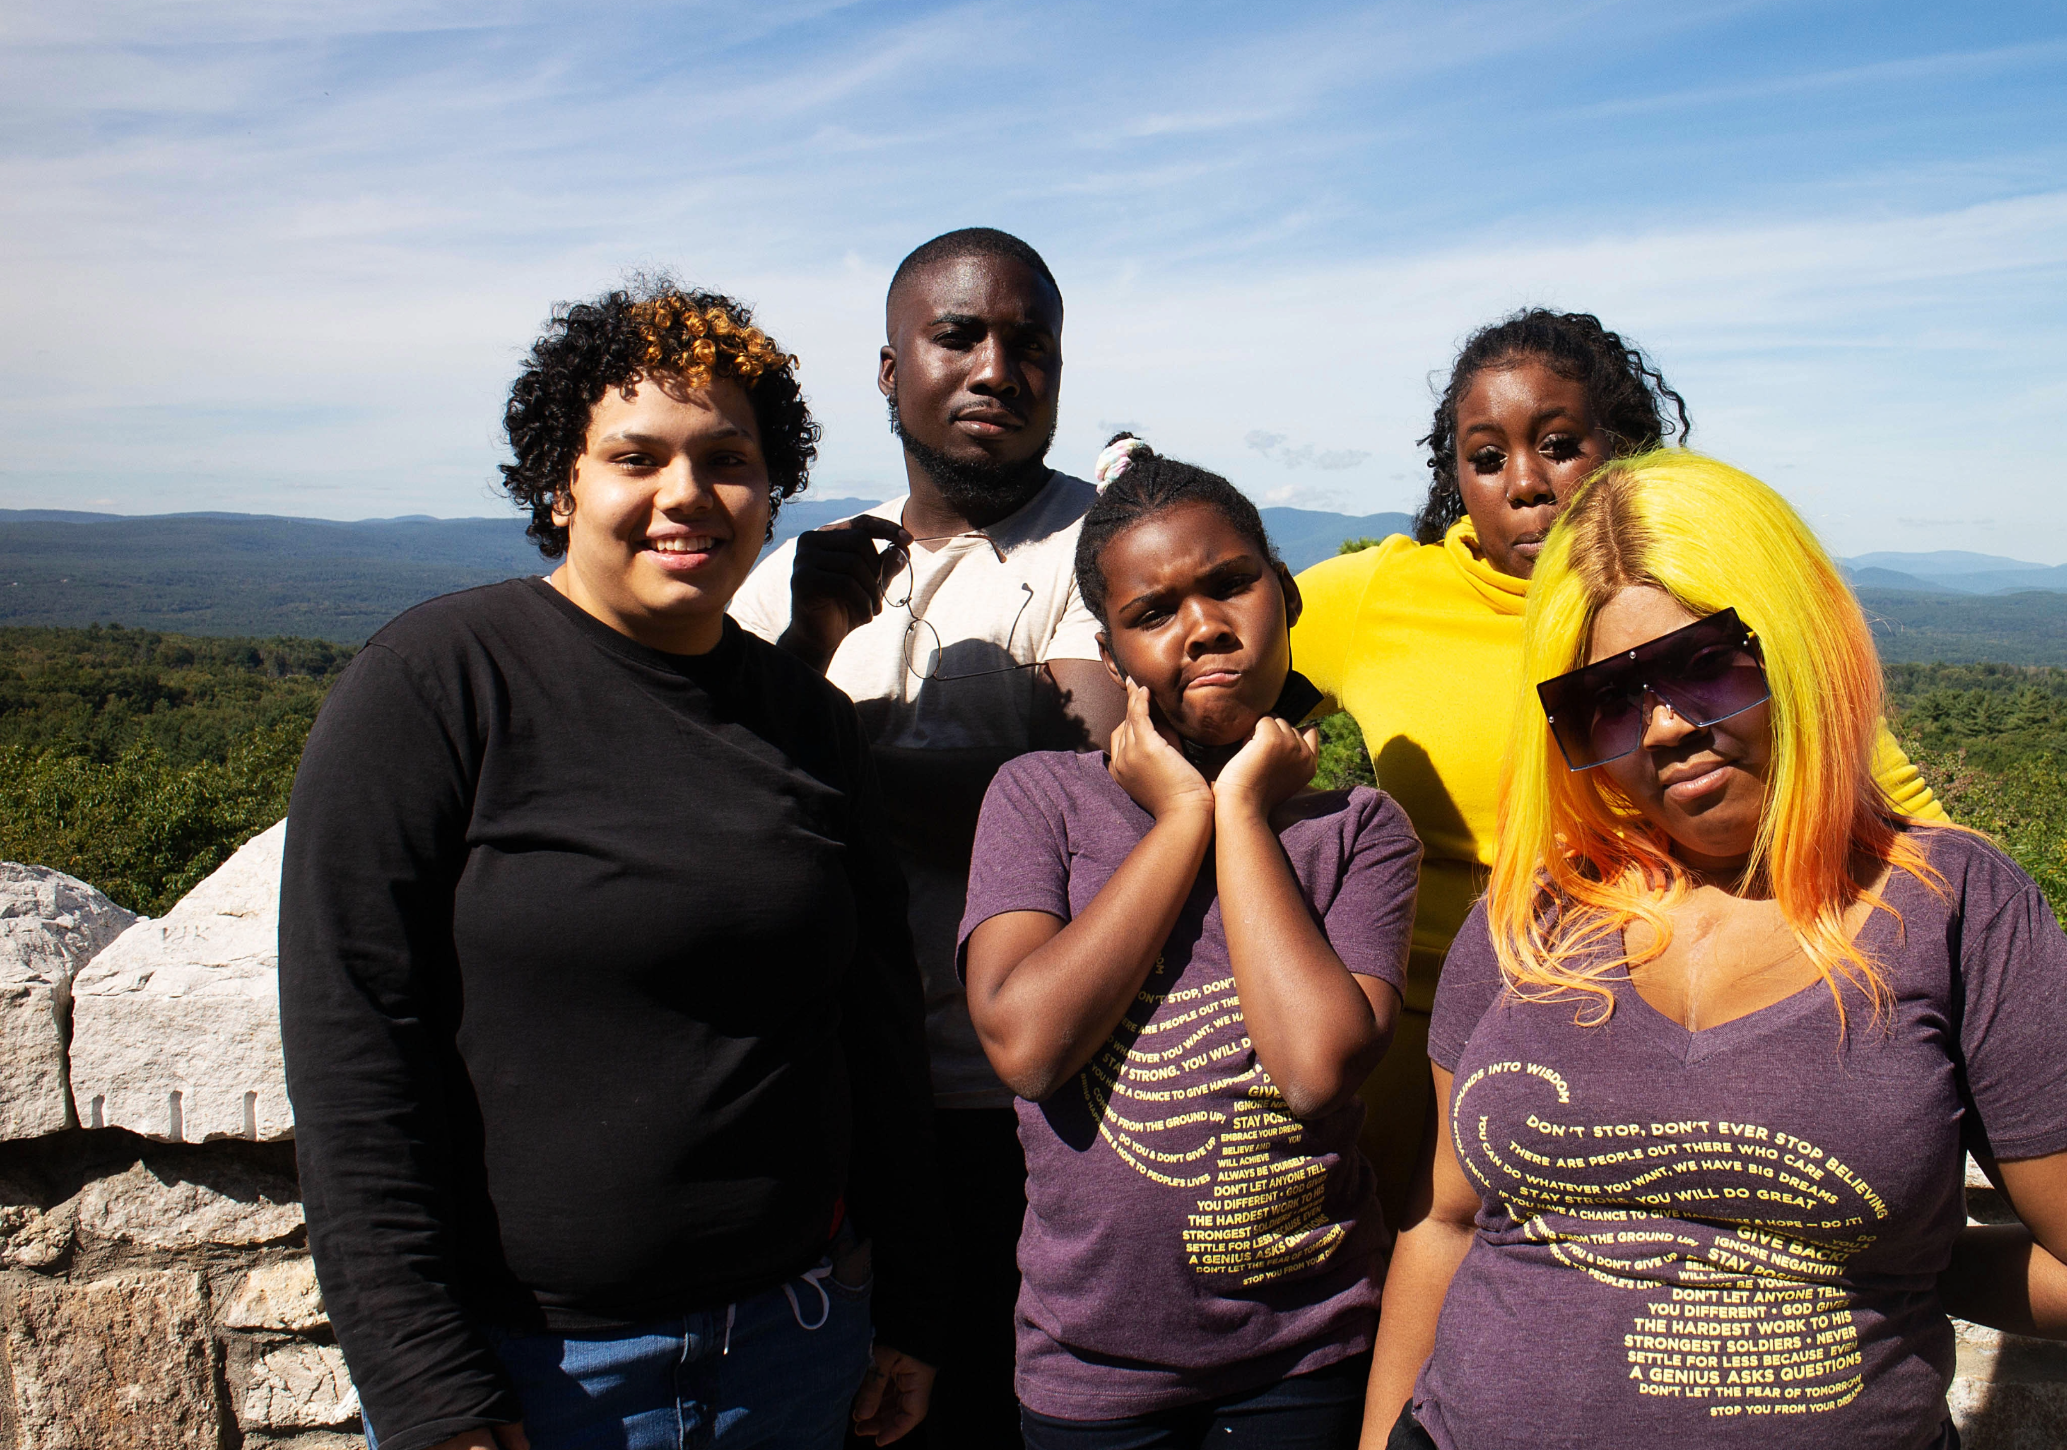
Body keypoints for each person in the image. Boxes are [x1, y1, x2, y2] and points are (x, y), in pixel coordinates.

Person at [1362, 452, 2067, 1450]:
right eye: (1607, 702)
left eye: (1706, 662)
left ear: (1800, 640)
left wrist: (1881, 1259)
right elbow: (1447, 1219)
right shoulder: (1534, 907)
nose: (1664, 727)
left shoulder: (1954, 908)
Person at [1293, 309, 2067, 1215]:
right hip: (1415, 1025)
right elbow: (1196, 658)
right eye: (1485, 458)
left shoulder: (1706, 603)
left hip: (1634, 1004)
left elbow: (1890, 797)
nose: (1523, 484)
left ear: (1623, 451)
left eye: (1558, 445)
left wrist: (2024, 981)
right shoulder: (1379, 600)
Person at [281, 285, 940, 1450]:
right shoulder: (438, 685)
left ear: (769, 488)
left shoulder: (805, 720)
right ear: (561, 479)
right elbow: (355, 1055)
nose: (686, 495)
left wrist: (910, 1309)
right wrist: (431, 1391)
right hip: (537, 1377)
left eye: (728, 458)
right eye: (636, 456)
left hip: (791, 1356)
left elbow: (876, 1033)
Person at [729, 228, 1126, 1447]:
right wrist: (808, 644)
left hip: (1032, 1105)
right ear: (891, 370)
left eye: (1030, 344)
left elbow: (1078, 792)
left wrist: (807, 737)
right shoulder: (798, 572)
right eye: (958, 336)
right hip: (831, 1100)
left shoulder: (1107, 552)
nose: (997, 367)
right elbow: (709, 797)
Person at [960, 438, 1421, 1448]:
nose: (1203, 628)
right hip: (1090, 1366)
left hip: (1307, 1352)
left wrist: (1242, 812)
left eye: (1229, 585)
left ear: (1285, 594)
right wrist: (1179, 820)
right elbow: (1027, 1044)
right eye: (1153, 613)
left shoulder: (1358, 831)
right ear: (1115, 647)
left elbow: (1313, 1069)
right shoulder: (1039, 799)